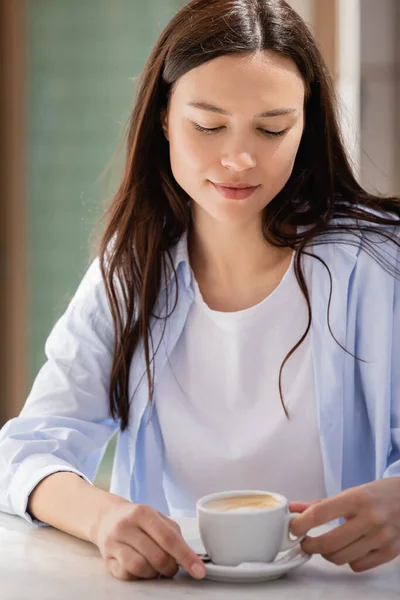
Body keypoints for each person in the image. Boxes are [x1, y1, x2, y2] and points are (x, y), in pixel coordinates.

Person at [1, 0, 400, 583]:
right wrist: (104, 518)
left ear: (306, 125)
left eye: (272, 128)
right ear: (163, 118)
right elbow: (27, 450)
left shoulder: (379, 264)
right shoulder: (131, 269)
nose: (239, 158)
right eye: (208, 126)